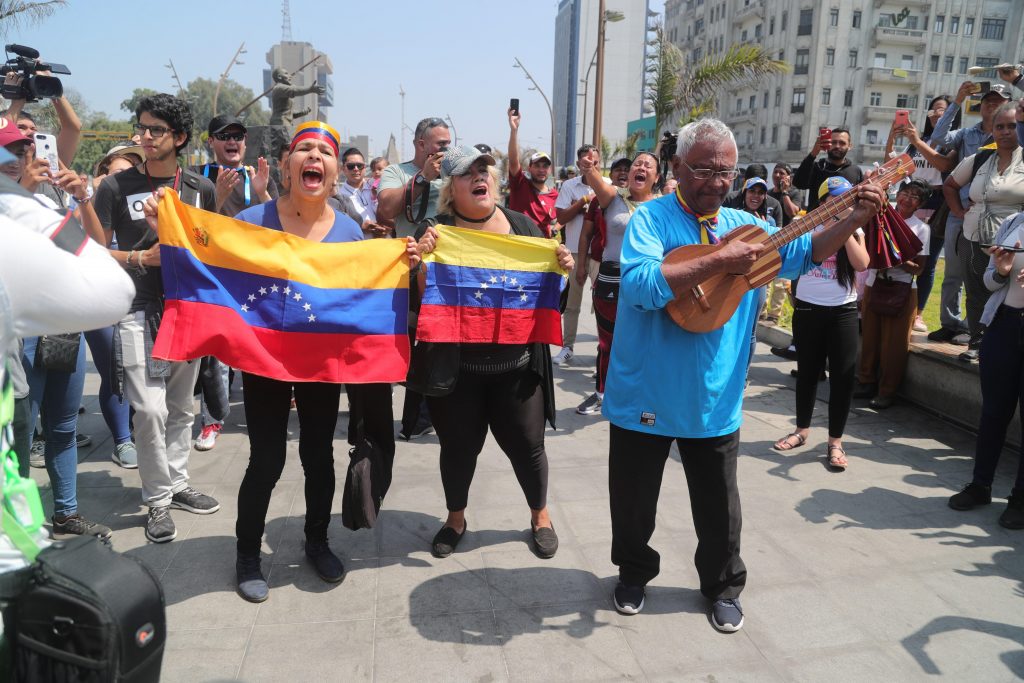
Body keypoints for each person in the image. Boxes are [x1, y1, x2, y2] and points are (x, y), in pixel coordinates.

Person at [602, 118, 885, 631]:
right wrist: (719, 260)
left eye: (725, 172)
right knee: (633, 499)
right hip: (646, 389)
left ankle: (723, 585)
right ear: (677, 166)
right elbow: (640, 286)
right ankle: (634, 573)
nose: (716, 182)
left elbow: (804, 252)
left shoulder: (745, 224)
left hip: (715, 393)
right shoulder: (651, 219)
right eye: (703, 170)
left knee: (719, 507)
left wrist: (853, 218)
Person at [208, 121, 416, 602]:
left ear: (334, 173)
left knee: (318, 456)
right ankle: (247, 554)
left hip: (322, 365)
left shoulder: (348, 231)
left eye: (325, 152)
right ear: (287, 165)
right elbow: (212, 262)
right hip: (264, 362)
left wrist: (403, 262)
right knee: (266, 460)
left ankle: (317, 541)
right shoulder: (254, 221)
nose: (314, 157)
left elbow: (364, 293)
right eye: (304, 149)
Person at [414, 146, 574, 560]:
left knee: (529, 447)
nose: (479, 177)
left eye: (484, 169)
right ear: (451, 188)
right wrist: (421, 264)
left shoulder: (524, 228)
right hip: (458, 372)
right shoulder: (436, 232)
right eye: (467, 173)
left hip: (516, 370)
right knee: (457, 450)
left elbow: (550, 298)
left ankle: (540, 516)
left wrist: (561, 271)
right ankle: (455, 519)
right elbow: (422, 302)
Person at [93, 93, 221, 544]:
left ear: (180, 137)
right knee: (149, 410)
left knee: (182, 407)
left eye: (157, 130)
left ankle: (178, 483)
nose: (145, 136)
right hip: (136, 309)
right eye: (142, 128)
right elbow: (93, 251)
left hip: (187, 309)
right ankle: (158, 501)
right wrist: (138, 257)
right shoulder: (114, 187)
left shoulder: (200, 188)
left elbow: (213, 249)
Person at [192, 115, 278, 452]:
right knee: (216, 355)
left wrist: (262, 193)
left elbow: (279, 225)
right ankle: (212, 420)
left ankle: (269, 415)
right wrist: (216, 196)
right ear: (210, 141)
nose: (232, 141)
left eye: (238, 136)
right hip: (215, 277)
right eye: (224, 135)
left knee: (260, 348)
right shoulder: (196, 178)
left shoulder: (260, 176)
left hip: (255, 278)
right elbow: (192, 230)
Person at [772, 177, 868, 469]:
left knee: (842, 377)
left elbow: (862, 263)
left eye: (846, 200)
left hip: (843, 312)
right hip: (808, 310)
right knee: (808, 373)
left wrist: (845, 228)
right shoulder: (805, 226)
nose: (841, 205)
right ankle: (801, 431)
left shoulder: (856, 228)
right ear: (822, 201)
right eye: (834, 199)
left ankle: (835, 442)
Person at [947, 207, 1024, 529]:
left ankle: (1020, 500)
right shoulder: (1013, 222)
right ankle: (980, 485)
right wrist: (1002, 271)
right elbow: (990, 282)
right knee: (993, 413)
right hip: (1004, 325)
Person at [927, 82, 1013, 345]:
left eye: (998, 101)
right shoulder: (967, 134)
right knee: (954, 273)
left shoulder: (1016, 143)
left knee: (986, 276)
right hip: (962, 214)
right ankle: (951, 324)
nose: (992, 104)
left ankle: (975, 329)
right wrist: (958, 100)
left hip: (1000, 219)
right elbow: (938, 137)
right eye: (988, 100)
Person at [576, 153, 659, 417]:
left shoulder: (663, 205)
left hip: (647, 282)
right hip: (611, 279)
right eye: (637, 164)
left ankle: (638, 397)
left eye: (648, 165)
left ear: (656, 177)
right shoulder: (613, 197)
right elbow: (597, 183)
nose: (641, 168)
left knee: (645, 343)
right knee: (608, 343)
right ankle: (602, 394)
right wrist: (590, 169)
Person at [942, 101, 1024, 362]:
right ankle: (977, 343)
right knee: (975, 291)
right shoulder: (980, 157)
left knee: (1007, 292)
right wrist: (958, 211)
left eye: (1012, 126)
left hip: (1013, 242)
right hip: (972, 236)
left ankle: (1006, 345)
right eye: (999, 126)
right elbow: (950, 185)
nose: (1005, 131)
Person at [887, 96, 960, 333]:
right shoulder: (916, 141)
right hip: (909, 201)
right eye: (934, 110)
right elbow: (892, 165)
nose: (938, 114)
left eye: (944, 111)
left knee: (926, 262)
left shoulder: (954, 141)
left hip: (936, 203)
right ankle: (892, 302)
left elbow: (944, 166)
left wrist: (916, 141)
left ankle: (917, 314)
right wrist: (892, 136)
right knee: (895, 252)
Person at [855, 180, 931, 408]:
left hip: (903, 288)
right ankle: (866, 381)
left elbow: (919, 269)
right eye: (905, 193)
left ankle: (887, 391)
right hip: (874, 283)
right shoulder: (881, 218)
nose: (908, 199)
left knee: (894, 345)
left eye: (915, 197)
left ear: (920, 204)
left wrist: (894, 257)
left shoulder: (921, 228)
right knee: (870, 338)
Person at [553, 144, 609, 366]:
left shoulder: (608, 186)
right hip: (574, 252)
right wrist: (584, 201)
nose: (590, 165)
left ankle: (603, 350)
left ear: (599, 163)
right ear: (578, 164)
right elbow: (561, 217)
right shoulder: (569, 186)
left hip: (601, 254)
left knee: (603, 305)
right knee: (572, 304)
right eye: (586, 162)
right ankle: (567, 347)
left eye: (594, 162)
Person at [377, 117, 450, 239]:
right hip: (411, 248)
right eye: (441, 144)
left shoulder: (452, 172)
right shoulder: (395, 171)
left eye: (448, 144)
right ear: (421, 145)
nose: (446, 149)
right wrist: (423, 177)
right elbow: (387, 209)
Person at [506, 108, 558, 237]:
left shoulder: (555, 195)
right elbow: (513, 160)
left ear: (550, 170)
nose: (541, 170)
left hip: (542, 246)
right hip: (519, 244)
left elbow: (560, 219)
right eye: (537, 166)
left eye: (545, 166)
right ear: (529, 168)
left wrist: (555, 228)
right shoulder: (520, 184)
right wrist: (514, 130)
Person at [763, 163, 804, 323]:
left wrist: (785, 192)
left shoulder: (794, 193)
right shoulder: (767, 194)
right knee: (765, 279)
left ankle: (774, 315)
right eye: (776, 172)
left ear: (788, 177)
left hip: (786, 241)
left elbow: (793, 212)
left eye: (782, 173)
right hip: (768, 240)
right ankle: (762, 312)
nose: (778, 176)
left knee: (781, 281)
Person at [794, 126, 864, 212]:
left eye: (842, 143)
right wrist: (813, 153)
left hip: (846, 220)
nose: (837, 146)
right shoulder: (817, 167)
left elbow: (860, 200)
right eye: (833, 142)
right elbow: (799, 183)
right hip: (816, 219)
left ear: (849, 146)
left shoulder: (856, 171)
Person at [335, 147, 386, 236]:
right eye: (351, 166)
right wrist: (360, 227)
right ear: (343, 169)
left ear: (365, 168)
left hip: (387, 241)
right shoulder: (339, 197)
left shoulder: (377, 186)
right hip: (360, 243)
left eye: (359, 165)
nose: (356, 169)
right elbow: (337, 227)